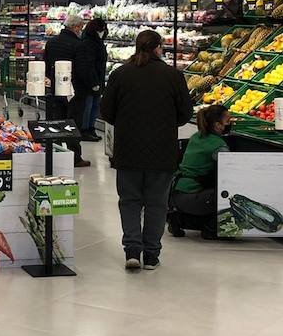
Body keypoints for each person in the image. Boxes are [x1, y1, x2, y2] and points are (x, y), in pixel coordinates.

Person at [100, 29, 194, 271]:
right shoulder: (173, 76)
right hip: (162, 151)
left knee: (129, 200)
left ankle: (132, 250)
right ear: (158, 48)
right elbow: (185, 114)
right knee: (156, 203)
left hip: (128, 149)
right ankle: (151, 255)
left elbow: (106, 112)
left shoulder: (120, 74)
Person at [169, 104, 233, 239]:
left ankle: (180, 219)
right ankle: (211, 229)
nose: (230, 123)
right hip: (196, 198)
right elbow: (229, 172)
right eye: (227, 121)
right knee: (232, 194)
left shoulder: (195, 137)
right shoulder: (219, 146)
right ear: (218, 125)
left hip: (175, 194)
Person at [42, 13, 97, 168]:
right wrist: (93, 85)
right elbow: (82, 69)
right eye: (80, 27)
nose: (81, 30)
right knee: (73, 124)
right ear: (75, 27)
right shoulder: (79, 45)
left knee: (57, 122)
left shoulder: (52, 42)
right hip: (75, 92)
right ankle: (74, 158)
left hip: (56, 89)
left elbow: (46, 63)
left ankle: (57, 155)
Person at [80, 18, 108, 142]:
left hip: (98, 79)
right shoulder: (88, 43)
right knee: (88, 106)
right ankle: (85, 130)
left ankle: (91, 128)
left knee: (95, 106)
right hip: (90, 81)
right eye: (101, 29)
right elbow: (88, 64)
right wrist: (93, 82)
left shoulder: (97, 41)